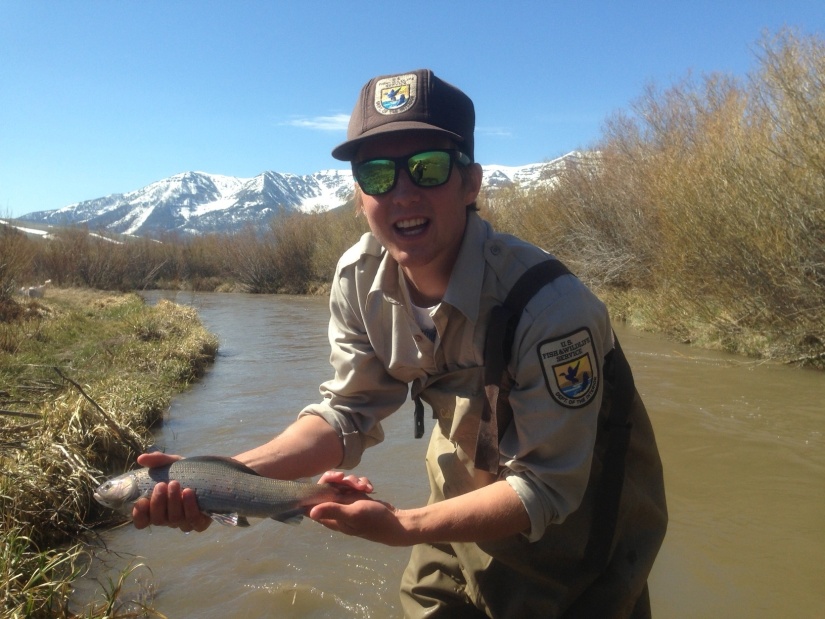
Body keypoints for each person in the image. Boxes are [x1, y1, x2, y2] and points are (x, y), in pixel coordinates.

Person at [133, 69, 667, 618]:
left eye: (428, 168)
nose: (403, 193)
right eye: (377, 173)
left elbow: (546, 488)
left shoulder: (551, 308)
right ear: (359, 193)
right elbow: (347, 413)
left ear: (471, 183)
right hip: (457, 494)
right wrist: (218, 475)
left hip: (578, 529)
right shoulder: (358, 279)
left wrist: (402, 527)